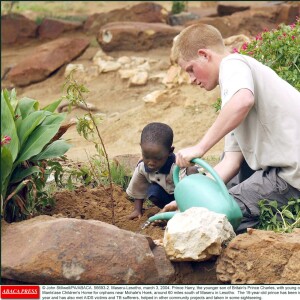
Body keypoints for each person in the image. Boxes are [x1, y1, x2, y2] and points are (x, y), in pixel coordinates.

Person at [163, 23, 300, 232]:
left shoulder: (233, 65)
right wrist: (191, 200)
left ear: (204, 55)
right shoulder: (236, 87)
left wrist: (200, 147)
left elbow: (243, 100)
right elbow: (231, 162)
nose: (191, 79)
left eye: (190, 69)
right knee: (206, 207)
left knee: (213, 219)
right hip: (284, 172)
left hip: (291, 177)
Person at [126, 122, 197, 220]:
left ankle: (179, 214)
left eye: (157, 159)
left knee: (192, 172)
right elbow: (138, 188)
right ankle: (166, 211)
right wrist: (137, 210)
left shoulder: (177, 167)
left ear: (170, 151)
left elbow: (188, 192)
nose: (150, 163)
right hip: (165, 197)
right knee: (153, 191)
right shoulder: (142, 167)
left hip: (183, 198)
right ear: (141, 147)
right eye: (146, 157)